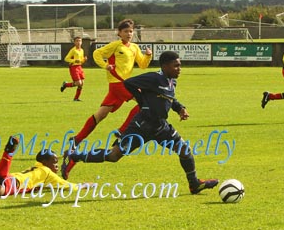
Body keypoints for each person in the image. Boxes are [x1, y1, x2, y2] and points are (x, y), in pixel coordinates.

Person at [61, 50, 218, 195]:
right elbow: (128, 83)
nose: (179, 68)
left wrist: (180, 108)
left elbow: (169, 98)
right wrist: (143, 101)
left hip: (160, 126)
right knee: (114, 156)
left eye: (180, 65)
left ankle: (194, 184)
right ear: (165, 66)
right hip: (141, 126)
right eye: (176, 65)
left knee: (184, 149)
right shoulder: (154, 78)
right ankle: (74, 156)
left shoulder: (171, 81)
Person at [61, 18, 152, 178]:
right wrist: (105, 66)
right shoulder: (115, 46)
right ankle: (122, 130)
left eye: (131, 31)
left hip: (124, 85)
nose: (129, 34)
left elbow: (143, 65)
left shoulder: (135, 48)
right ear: (119, 33)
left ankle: (75, 140)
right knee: (145, 103)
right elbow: (97, 53)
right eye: (125, 31)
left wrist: (148, 56)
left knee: (100, 115)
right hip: (118, 84)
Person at [0, 127, 81, 198]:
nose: (57, 166)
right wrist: (85, 186)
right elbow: (66, 185)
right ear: (45, 162)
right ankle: (9, 152)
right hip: (10, 183)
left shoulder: (37, 167)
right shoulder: (46, 172)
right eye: (54, 162)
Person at [60, 36, 87, 101]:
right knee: (78, 83)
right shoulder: (73, 50)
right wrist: (74, 61)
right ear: (74, 42)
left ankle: (76, 98)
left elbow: (80, 61)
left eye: (80, 41)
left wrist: (84, 60)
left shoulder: (82, 50)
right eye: (77, 41)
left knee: (81, 83)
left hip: (79, 67)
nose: (78, 42)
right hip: (74, 67)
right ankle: (66, 84)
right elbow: (66, 59)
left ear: (81, 42)